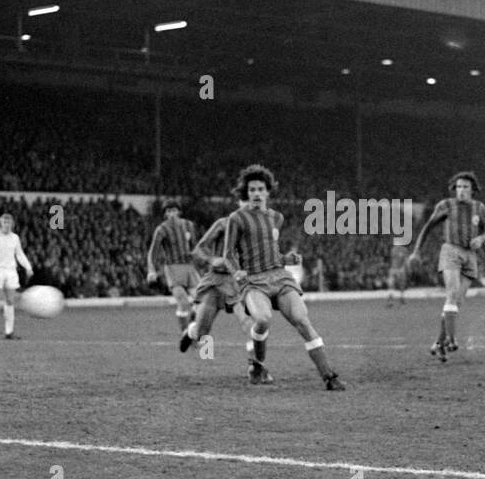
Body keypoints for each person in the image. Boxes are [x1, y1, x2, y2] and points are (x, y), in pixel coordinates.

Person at [220, 164, 345, 390]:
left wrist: (287, 259)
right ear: (246, 193)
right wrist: (235, 270)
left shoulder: (276, 217)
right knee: (263, 319)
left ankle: (329, 376)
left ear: (268, 191)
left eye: (260, 189)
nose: (256, 193)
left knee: (302, 319)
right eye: (252, 190)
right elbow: (228, 254)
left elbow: (271, 252)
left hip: (279, 277)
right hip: (254, 281)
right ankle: (256, 363)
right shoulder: (237, 218)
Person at [407, 171, 485, 362]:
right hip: (451, 251)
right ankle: (452, 340)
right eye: (458, 187)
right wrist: (416, 251)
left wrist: (481, 238)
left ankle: (439, 343)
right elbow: (427, 227)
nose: (461, 191)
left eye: (465, 187)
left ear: (473, 190)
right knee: (452, 295)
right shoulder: (446, 205)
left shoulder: (479, 208)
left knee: (456, 302)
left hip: (470, 256)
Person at [181, 195, 254, 359]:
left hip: (237, 283)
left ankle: (255, 366)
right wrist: (212, 259)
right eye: (245, 200)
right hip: (215, 281)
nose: (248, 204)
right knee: (202, 331)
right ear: (239, 202)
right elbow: (199, 249)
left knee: (248, 322)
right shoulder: (223, 224)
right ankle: (192, 332)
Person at [147, 200, 199, 334]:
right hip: (173, 269)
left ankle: (191, 328)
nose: (172, 214)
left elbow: (195, 246)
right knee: (183, 302)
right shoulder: (162, 229)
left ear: (179, 212)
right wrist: (151, 270)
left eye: (174, 210)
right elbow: (153, 252)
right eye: (168, 211)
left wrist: (200, 257)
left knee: (200, 302)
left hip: (189, 268)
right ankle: (184, 332)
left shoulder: (189, 225)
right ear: (165, 214)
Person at [0, 213, 34, 339]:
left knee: (10, 301)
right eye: (5, 222)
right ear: (0, 224)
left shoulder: (15, 238)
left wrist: (28, 267)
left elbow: (19, 254)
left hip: (10, 272)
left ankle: (9, 332)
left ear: (12, 224)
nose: (7, 225)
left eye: (9, 223)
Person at [386, 241, 409, 307]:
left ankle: (402, 298)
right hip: (394, 269)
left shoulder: (404, 250)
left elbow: (405, 260)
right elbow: (393, 260)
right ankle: (390, 300)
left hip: (401, 269)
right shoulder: (393, 250)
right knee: (391, 284)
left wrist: (403, 268)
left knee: (401, 285)